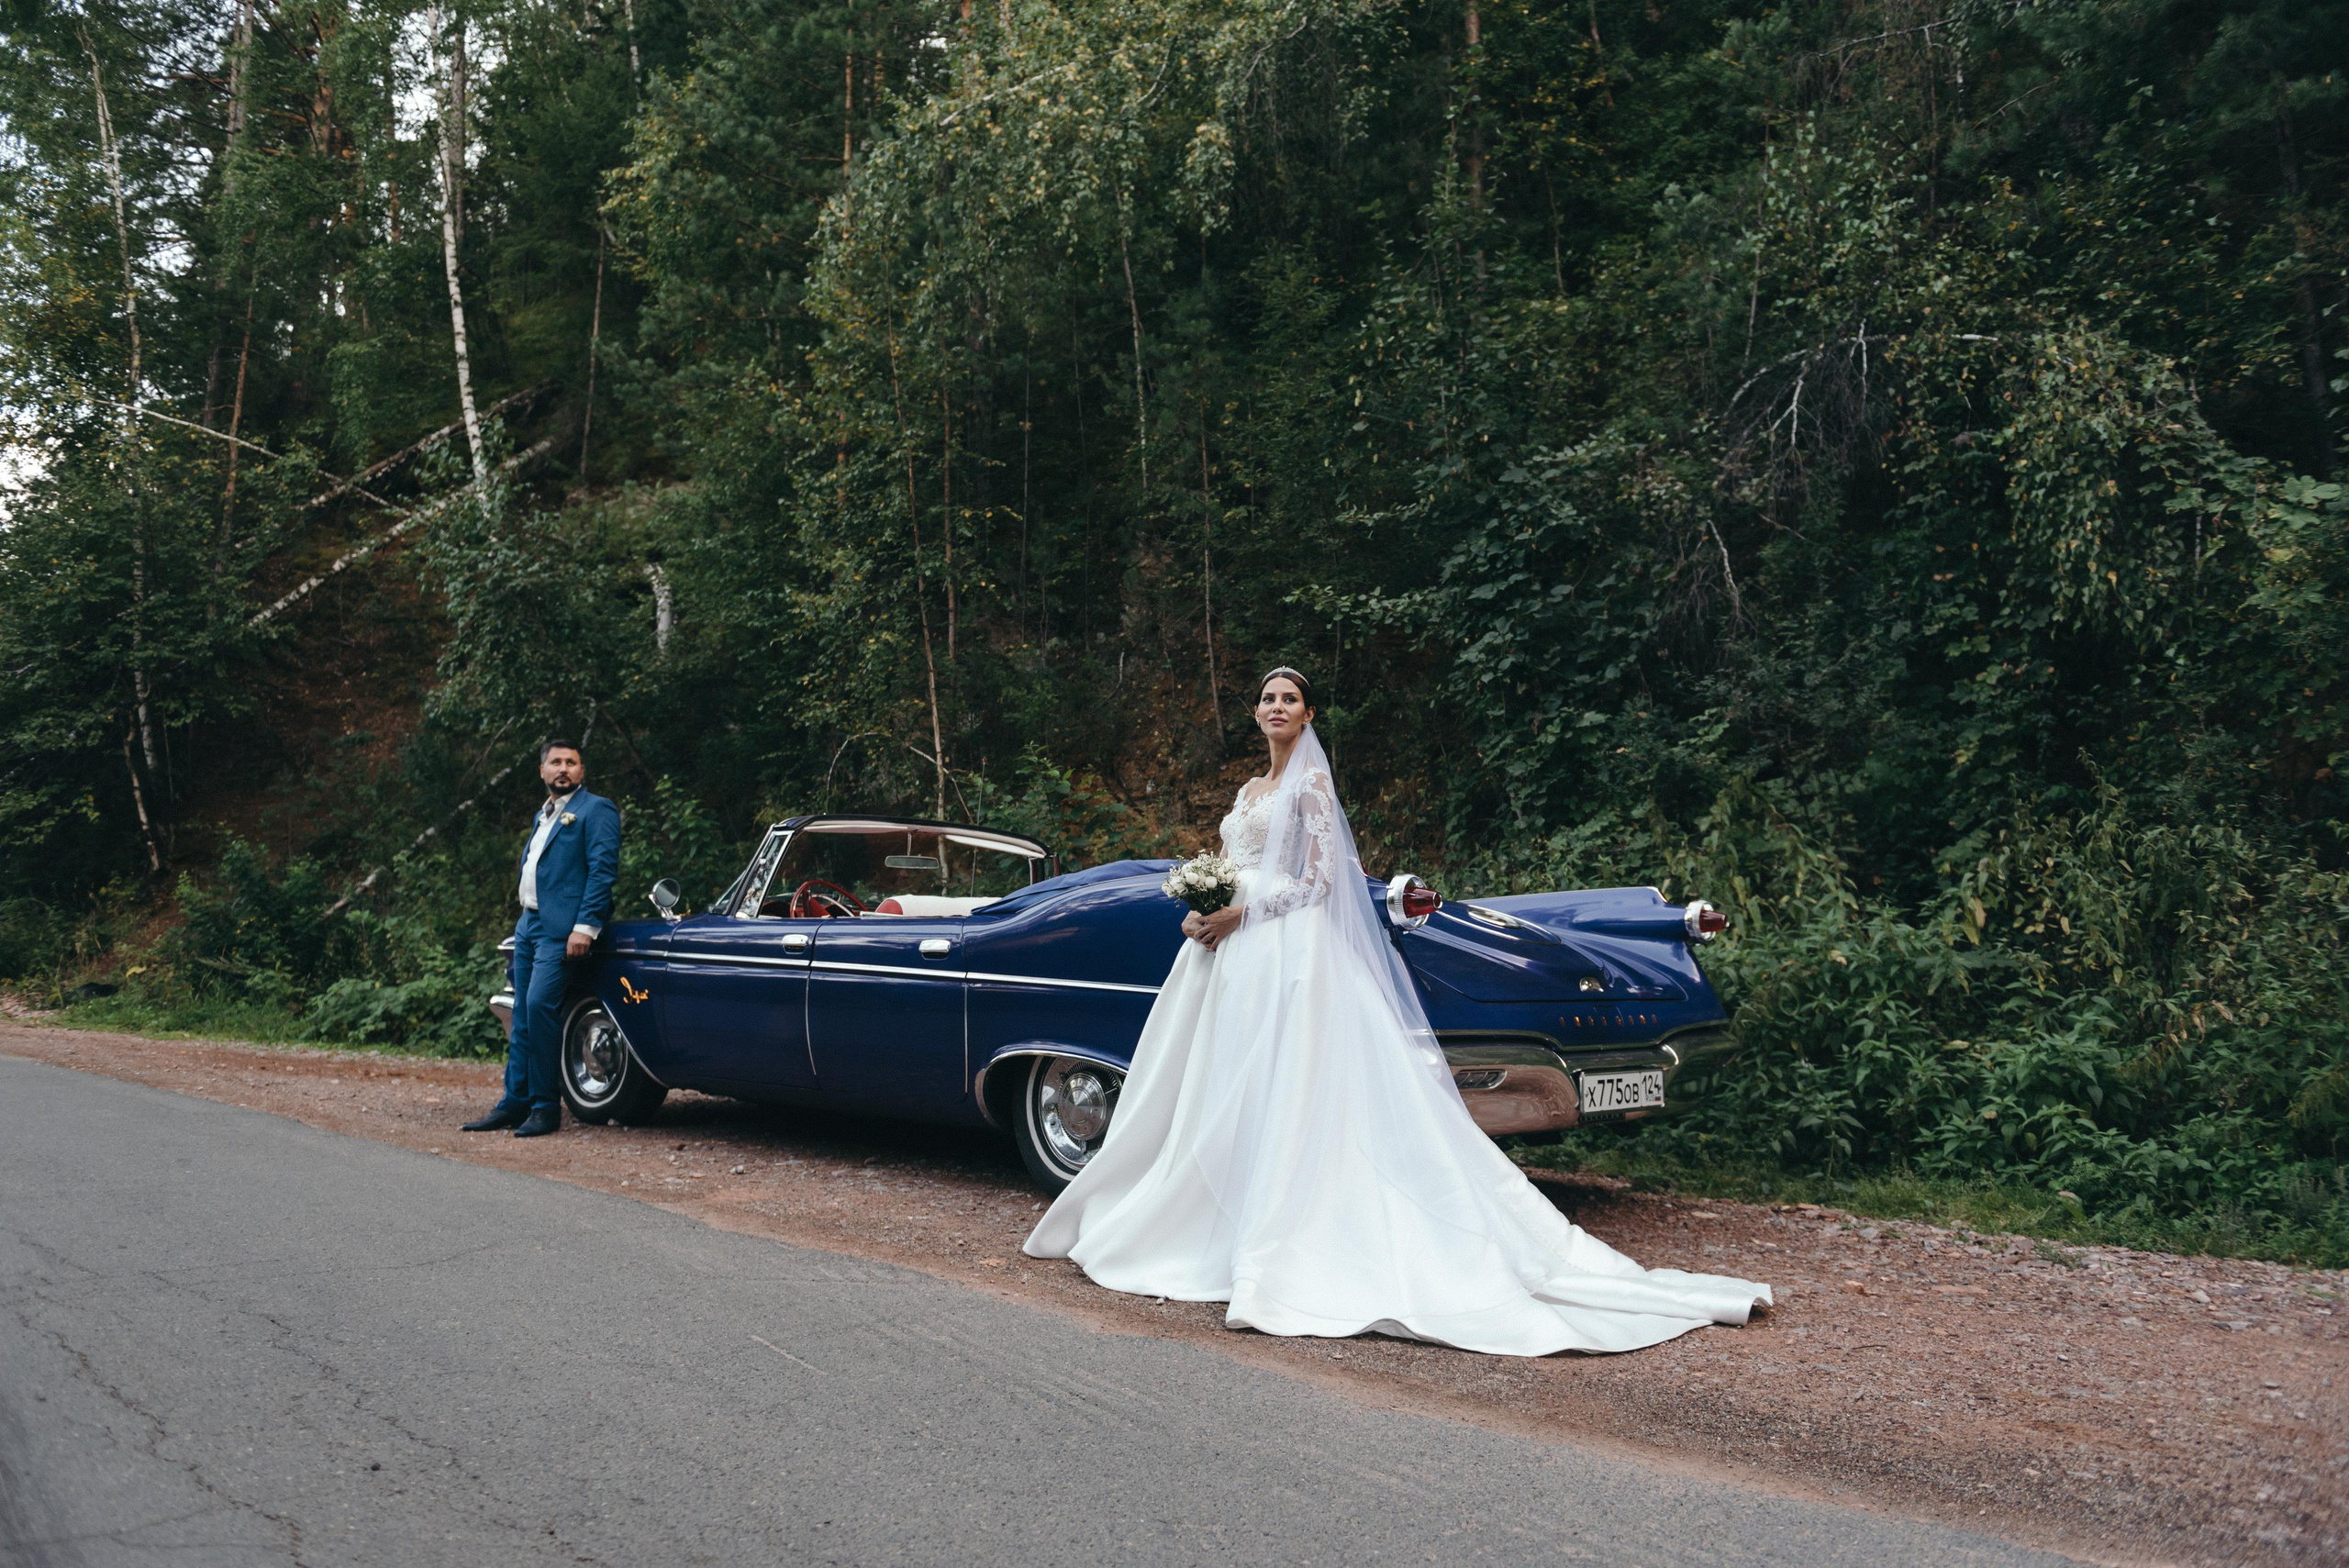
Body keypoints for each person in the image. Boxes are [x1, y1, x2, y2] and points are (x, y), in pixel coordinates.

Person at [1026, 668, 1772, 1355]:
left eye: (1289, 698)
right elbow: (1239, 864)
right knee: (1228, 1085)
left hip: (1287, 950)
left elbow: (1320, 882)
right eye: (1267, 697)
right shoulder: (1251, 787)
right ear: (1255, 713)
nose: (1276, 707)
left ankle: (1287, 1238)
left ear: (1308, 714)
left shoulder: (1312, 784)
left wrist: (1240, 915)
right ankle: (1212, 1217)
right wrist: (1207, 908)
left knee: (1297, 1084)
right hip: (1231, 955)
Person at [462, 740, 622, 1138]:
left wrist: (585, 927)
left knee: (538, 1007)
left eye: (571, 762)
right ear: (542, 771)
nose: (563, 768)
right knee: (522, 1015)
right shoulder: (544, 814)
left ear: (582, 771)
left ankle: (545, 1108)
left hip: (562, 930)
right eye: (555, 762)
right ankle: (514, 1102)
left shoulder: (595, 809)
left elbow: (602, 870)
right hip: (529, 923)